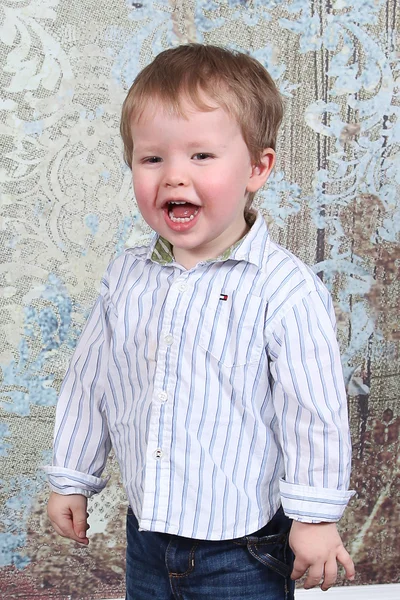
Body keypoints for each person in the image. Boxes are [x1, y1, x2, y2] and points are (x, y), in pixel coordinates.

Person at [46, 44, 356, 599]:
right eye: (152, 159)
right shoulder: (127, 276)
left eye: (202, 157)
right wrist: (73, 478)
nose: (174, 177)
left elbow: (312, 409)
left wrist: (313, 515)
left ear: (257, 168)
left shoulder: (281, 288)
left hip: (243, 549)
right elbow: (91, 383)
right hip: (148, 535)